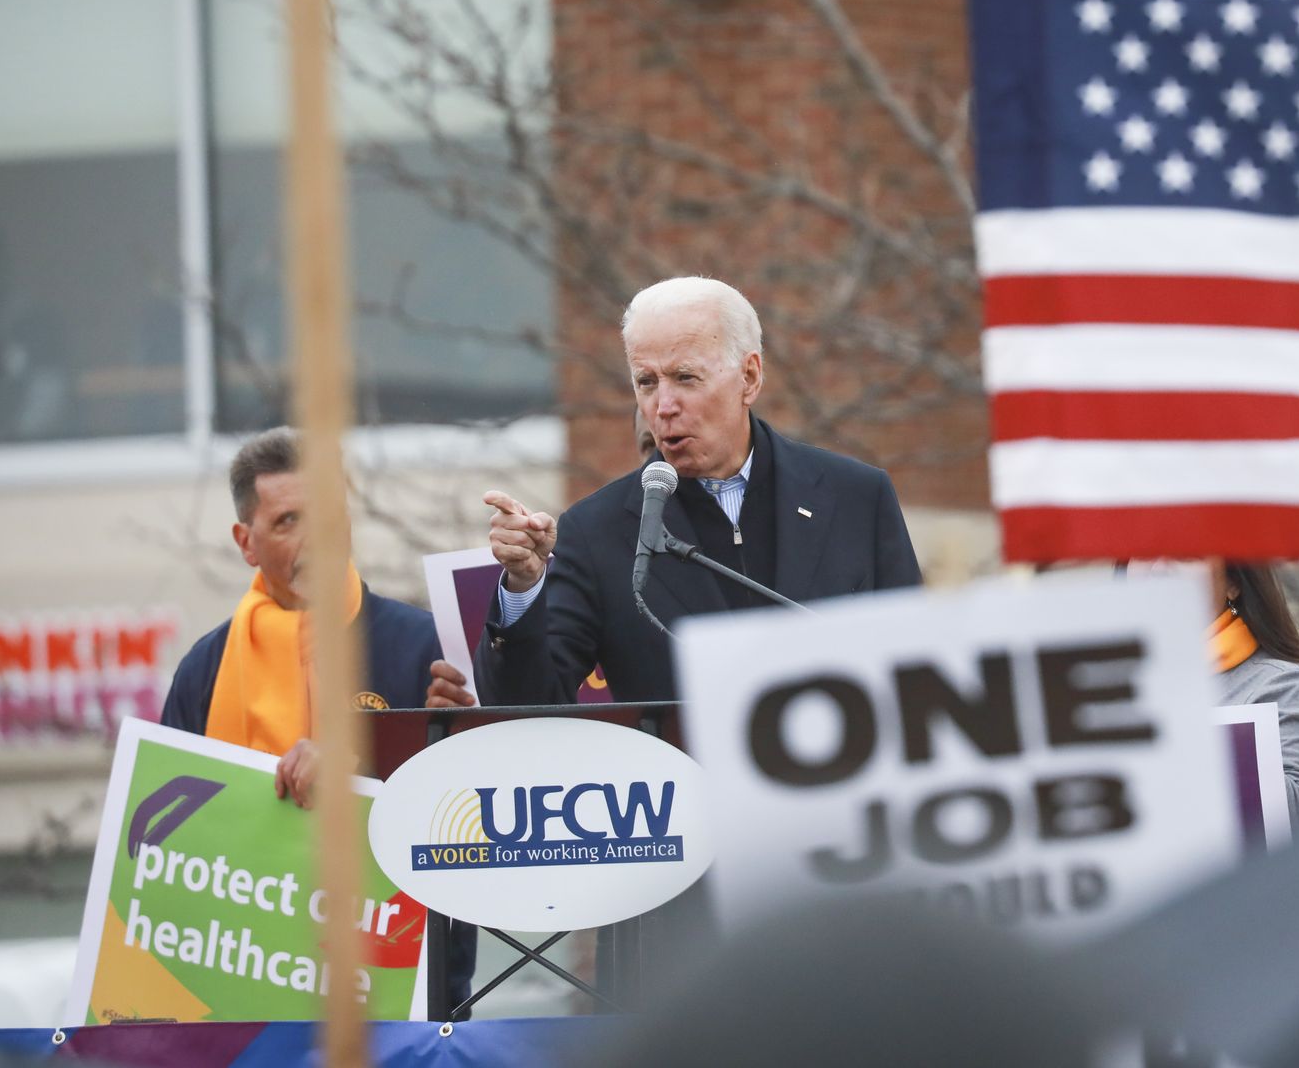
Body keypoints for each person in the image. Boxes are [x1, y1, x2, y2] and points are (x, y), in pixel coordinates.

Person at [426, 276, 923, 710]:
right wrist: (523, 586)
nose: (662, 406)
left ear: (748, 377)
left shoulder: (856, 497)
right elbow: (525, 708)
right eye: (646, 382)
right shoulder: (598, 532)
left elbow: (920, 670)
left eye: (685, 378)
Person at [159, 426, 476, 1010]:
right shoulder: (204, 670)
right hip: (241, 988)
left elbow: (462, 829)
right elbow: (167, 855)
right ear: (245, 541)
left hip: (394, 997)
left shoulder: (424, 646)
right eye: (287, 522)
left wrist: (405, 751)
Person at [1205, 561, 1299, 829]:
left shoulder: (1282, 684)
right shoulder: (1098, 684)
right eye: (1143, 554)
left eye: (1183, 554)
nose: (1159, 567)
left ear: (1232, 583)